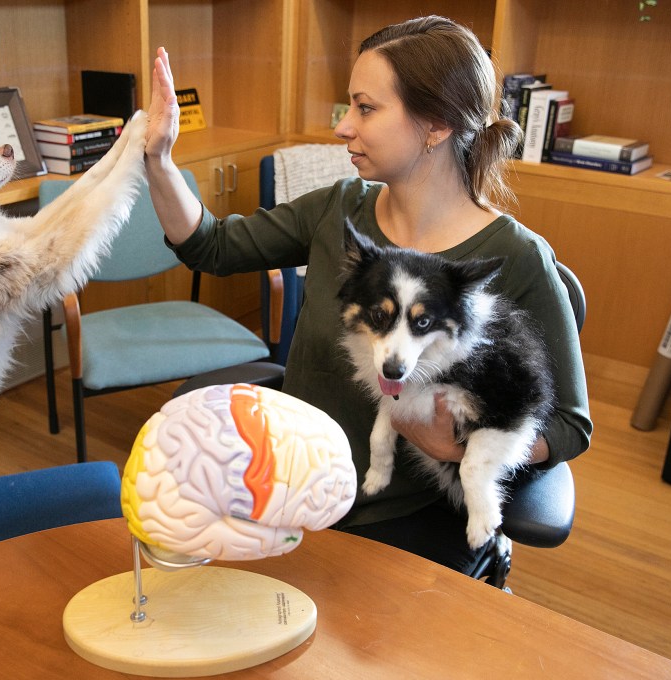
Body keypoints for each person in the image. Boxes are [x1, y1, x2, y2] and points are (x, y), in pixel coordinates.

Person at [144, 15, 592, 574]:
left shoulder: (518, 258)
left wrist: (458, 449)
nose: (343, 127)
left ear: (435, 125)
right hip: (288, 492)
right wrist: (160, 162)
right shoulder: (340, 211)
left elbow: (570, 426)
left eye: (366, 108)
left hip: (402, 518)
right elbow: (211, 246)